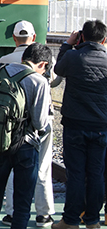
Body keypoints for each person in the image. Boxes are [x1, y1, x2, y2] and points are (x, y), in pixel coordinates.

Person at [0, 43, 52, 229]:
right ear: (43, 64)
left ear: (23, 58)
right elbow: (40, 123)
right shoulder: (38, 81)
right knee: (22, 205)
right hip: (25, 147)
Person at [0, 20, 55, 227]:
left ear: (14, 38)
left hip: (15, 121)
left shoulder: (4, 60)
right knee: (42, 167)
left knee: (15, 167)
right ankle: (44, 213)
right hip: (41, 118)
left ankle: (11, 212)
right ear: (33, 37)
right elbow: (55, 81)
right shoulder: (44, 60)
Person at [52, 20, 107, 229]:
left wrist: (68, 44)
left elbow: (58, 68)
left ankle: (70, 220)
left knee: (75, 174)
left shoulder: (73, 57)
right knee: (96, 174)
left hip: (75, 125)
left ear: (82, 37)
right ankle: (92, 221)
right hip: (101, 126)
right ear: (104, 40)